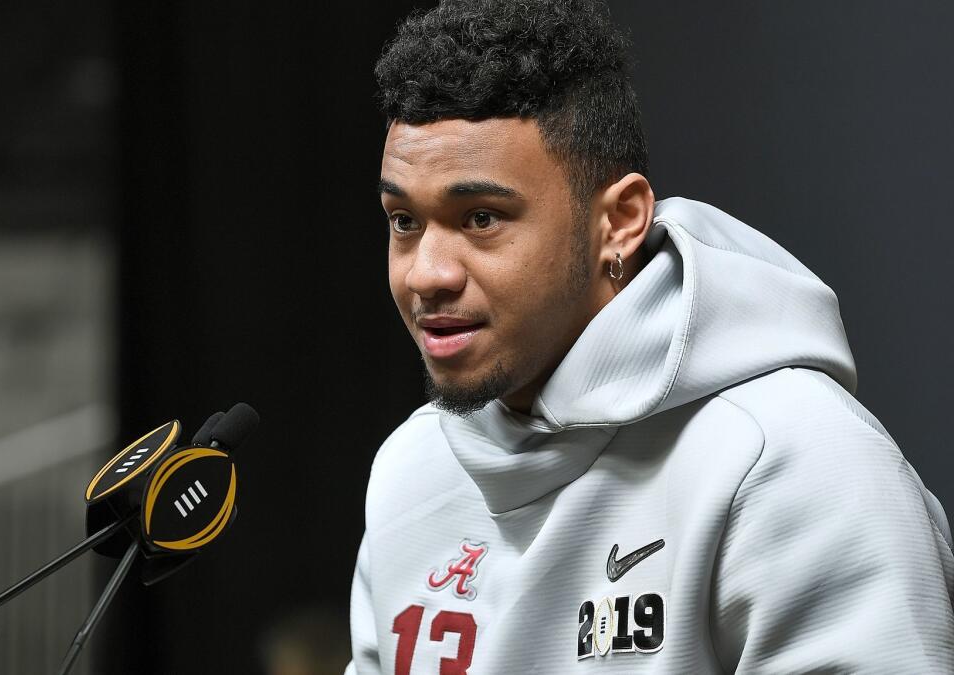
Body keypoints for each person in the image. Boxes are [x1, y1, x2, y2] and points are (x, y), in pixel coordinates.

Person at [347, 0, 954, 672]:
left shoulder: (796, 463)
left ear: (620, 221)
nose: (427, 273)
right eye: (404, 221)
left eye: (482, 217)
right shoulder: (411, 469)